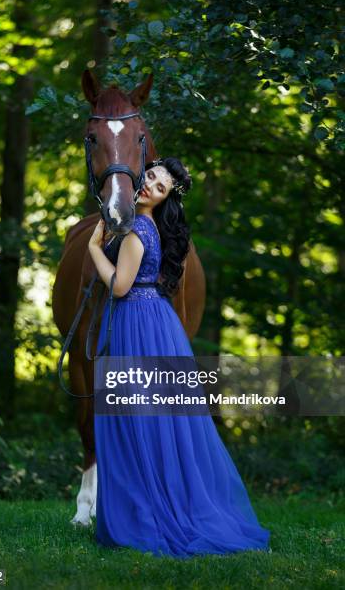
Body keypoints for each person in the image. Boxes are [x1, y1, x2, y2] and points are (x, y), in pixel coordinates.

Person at [88, 157, 270, 558]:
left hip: (138, 322)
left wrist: (92, 247)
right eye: (150, 176)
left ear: (165, 198)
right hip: (155, 322)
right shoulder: (148, 226)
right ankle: (147, 509)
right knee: (155, 422)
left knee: (135, 421)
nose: (150, 184)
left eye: (160, 186)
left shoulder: (138, 228)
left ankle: (144, 518)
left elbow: (118, 287)